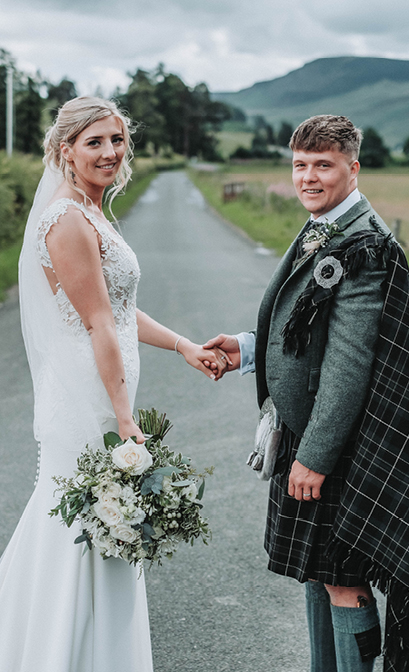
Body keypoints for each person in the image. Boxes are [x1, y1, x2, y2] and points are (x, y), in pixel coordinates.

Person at [203, 115, 409, 672]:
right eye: (300, 165)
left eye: (323, 165)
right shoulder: (325, 225)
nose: (309, 177)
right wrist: (248, 348)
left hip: (338, 443)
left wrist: (314, 456)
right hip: (309, 431)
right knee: (319, 572)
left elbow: (349, 363)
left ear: (353, 168)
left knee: (343, 580)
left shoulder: (363, 244)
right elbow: (308, 330)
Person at [0, 96, 226, 670]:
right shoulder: (68, 220)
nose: (108, 152)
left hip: (102, 387)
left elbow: (119, 310)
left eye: (116, 140)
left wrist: (182, 346)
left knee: (99, 521)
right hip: (88, 397)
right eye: (93, 141)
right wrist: (125, 419)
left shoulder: (91, 211)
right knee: (81, 519)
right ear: (65, 151)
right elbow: (99, 323)